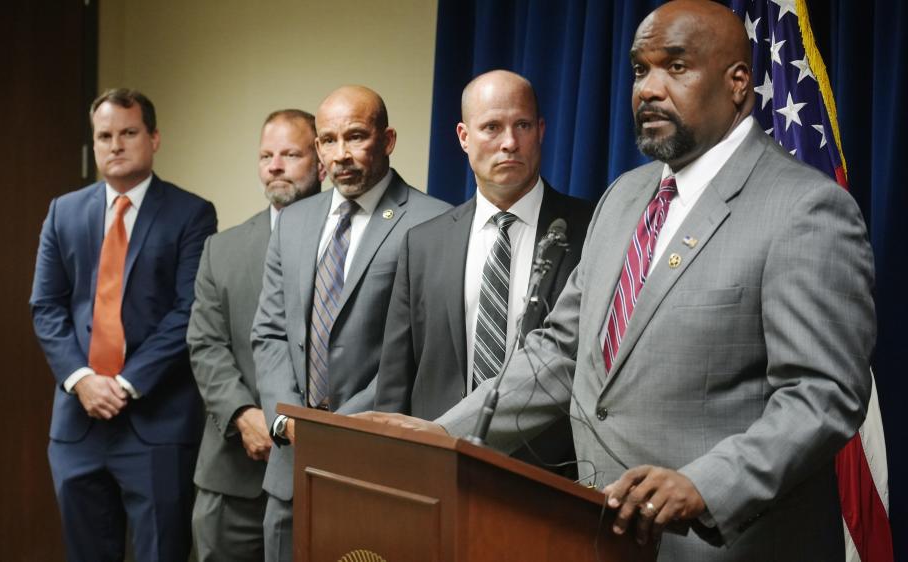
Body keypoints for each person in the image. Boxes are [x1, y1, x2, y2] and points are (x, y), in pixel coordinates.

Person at [359, 1, 875, 560]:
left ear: (738, 82)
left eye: (675, 66)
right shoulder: (625, 197)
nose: (648, 89)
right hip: (597, 538)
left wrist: (706, 484)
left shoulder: (806, 208)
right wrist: (446, 434)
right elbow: (559, 351)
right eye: (639, 70)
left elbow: (822, 396)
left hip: (721, 547)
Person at [251, 85, 451, 561]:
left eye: (355, 137)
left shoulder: (433, 221)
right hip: (290, 468)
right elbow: (271, 333)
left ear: (388, 140)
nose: (340, 154)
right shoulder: (295, 221)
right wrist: (286, 419)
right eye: (328, 140)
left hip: (377, 463)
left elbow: (420, 352)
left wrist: (338, 430)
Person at [374, 70, 593, 474]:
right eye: (491, 127)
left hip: (551, 477)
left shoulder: (592, 229)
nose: (509, 142)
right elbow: (395, 382)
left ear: (541, 130)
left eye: (522, 125)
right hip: (436, 469)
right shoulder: (423, 243)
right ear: (463, 137)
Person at [30, 88, 217, 561]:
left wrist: (127, 383)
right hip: (78, 423)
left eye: (128, 133)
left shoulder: (192, 214)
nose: (116, 145)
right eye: (104, 136)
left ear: (154, 138)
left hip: (156, 424)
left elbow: (188, 311)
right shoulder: (63, 212)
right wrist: (83, 380)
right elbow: (46, 307)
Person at [187, 109, 324, 561]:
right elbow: (205, 344)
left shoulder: (350, 244)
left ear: (321, 159)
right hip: (234, 475)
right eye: (266, 155)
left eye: (290, 154)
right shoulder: (221, 249)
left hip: (322, 477)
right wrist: (244, 414)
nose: (275, 166)